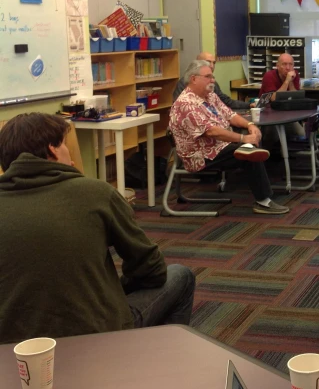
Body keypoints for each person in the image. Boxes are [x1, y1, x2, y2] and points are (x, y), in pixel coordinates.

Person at [0, 113, 195, 344]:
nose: (71, 158)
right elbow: (152, 269)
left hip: (15, 352)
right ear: (52, 149)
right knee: (181, 276)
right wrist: (117, 289)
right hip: (94, 341)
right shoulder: (96, 193)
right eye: (65, 146)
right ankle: (158, 364)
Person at [169, 60, 289, 215]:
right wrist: (243, 139)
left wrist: (250, 125)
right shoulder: (186, 103)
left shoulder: (209, 96)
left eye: (212, 76)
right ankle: (264, 202)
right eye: (208, 76)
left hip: (218, 146)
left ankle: (261, 190)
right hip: (201, 155)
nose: (213, 80)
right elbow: (211, 132)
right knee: (249, 154)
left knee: (249, 144)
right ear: (193, 79)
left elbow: (230, 115)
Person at [173, 51, 253, 110]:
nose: (211, 66)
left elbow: (225, 101)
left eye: (214, 63)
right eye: (208, 62)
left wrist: (248, 105)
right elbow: (178, 109)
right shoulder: (184, 83)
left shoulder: (212, 84)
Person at [258, 53, 306, 149]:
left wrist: (291, 81)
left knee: (301, 133)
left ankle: (284, 150)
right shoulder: (269, 76)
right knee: (273, 138)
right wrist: (287, 81)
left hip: (286, 114)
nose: (288, 68)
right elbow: (274, 99)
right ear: (278, 66)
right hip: (268, 114)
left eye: (290, 64)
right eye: (284, 64)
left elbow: (295, 97)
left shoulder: (295, 75)